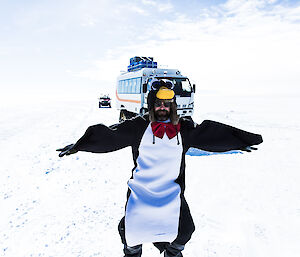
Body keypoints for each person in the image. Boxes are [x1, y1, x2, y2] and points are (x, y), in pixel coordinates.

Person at [57, 79, 263, 257]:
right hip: (141, 192)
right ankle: (132, 253)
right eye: (158, 104)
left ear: (173, 106)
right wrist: (80, 145)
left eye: (167, 104)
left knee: (185, 230)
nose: (162, 107)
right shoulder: (138, 126)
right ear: (151, 105)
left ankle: (172, 253)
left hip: (171, 192)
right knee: (129, 231)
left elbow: (210, 135)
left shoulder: (184, 129)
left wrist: (238, 141)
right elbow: (110, 135)